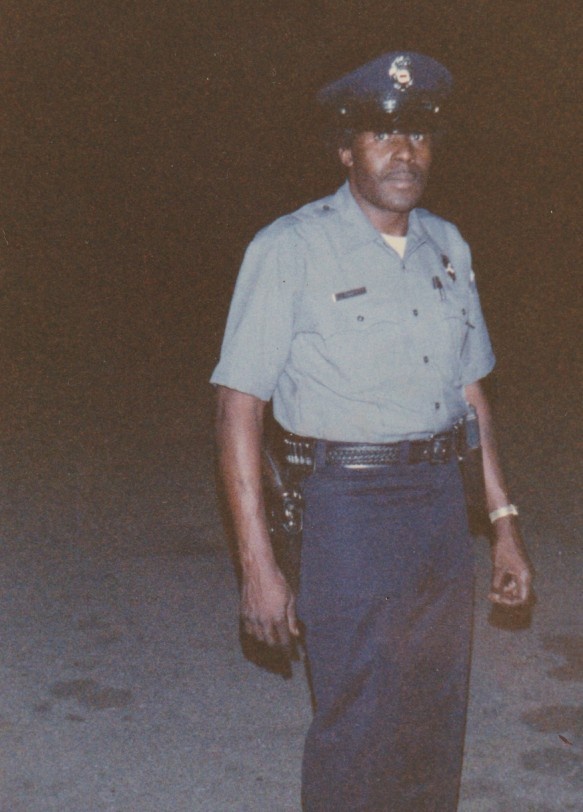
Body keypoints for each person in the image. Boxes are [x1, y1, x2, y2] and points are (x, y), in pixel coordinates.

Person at [211, 51, 533, 811]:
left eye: (418, 134)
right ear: (344, 149)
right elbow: (236, 408)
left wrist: (502, 524)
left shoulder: (448, 246)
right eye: (382, 134)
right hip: (346, 508)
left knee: (434, 717)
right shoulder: (290, 248)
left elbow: (470, 394)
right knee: (358, 722)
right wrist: (257, 566)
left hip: (439, 505)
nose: (404, 152)